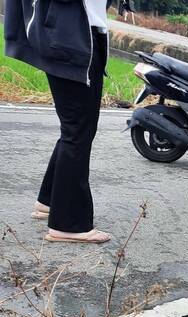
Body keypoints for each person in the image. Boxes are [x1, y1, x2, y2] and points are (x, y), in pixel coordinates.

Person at [5, 0, 113, 243]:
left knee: (76, 129)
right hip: (70, 38)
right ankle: (69, 224)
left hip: (77, 35)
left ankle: (50, 201)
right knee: (77, 130)